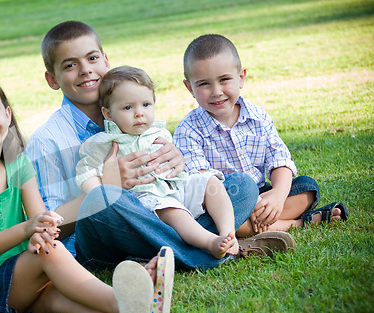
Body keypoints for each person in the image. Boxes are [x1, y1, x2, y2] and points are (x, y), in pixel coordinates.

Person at [25, 20, 294, 275]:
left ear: (106, 61)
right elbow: (50, 227)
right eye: (70, 65)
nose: (85, 70)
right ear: (52, 79)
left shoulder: (136, 110)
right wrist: (110, 187)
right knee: (102, 199)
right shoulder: (48, 141)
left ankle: (204, 244)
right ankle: (209, 253)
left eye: (92, 58)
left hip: (166, 210)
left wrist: (177, 161)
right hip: (105, 238)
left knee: (241, 185)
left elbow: (179, 184)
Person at [0, 70, 172, 313]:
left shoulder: (18, 163)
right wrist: (27, 230)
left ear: (7, 115)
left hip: (21, 275)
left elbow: (42, 223)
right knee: (50, 253)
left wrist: (42, 231)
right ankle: (126, 302)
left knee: (63, 299)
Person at [174, 34, 349, 237]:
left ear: (241, 78)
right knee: (219, 220)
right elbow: (201, 180)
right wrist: (249, 203)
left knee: (307, 187)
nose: (216, 91)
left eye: (224, 79)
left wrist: (277, 195)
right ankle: (300, 223)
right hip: (224, 202)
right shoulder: (188, 129)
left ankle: (259, 221)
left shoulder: (257, 117)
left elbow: (279, 159)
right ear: (190, 88)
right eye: (204, 84)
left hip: (263, 195)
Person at [75, 66, 239, 259]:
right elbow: (86, 173)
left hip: (175, 187)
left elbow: (177, 168)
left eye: (146, 104)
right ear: (108, 114)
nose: (139, 113)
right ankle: (208, 243)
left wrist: (179, 161)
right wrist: (103, 193)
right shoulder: (103, 142)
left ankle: (228, 233)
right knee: (172, 211)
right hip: (144, 202)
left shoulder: (160, 133)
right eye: (128, 107)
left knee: (219, 183)